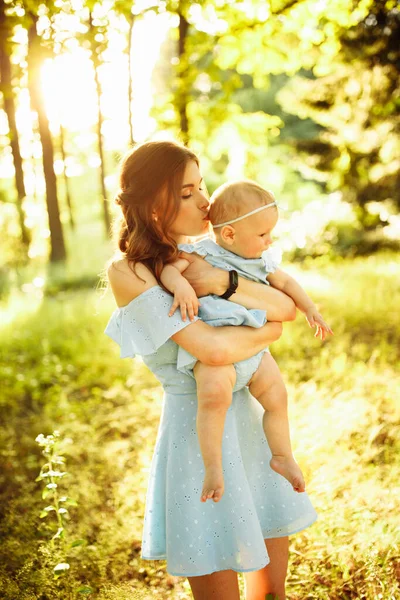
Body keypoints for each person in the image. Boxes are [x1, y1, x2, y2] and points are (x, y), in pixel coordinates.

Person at [104, 140, 318, 600]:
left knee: (272, 592)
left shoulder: (214, 252)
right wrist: (268, 334)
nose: (205, 201)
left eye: (201, 186)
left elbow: (286, 305)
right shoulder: (131, 272)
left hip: (252, 431)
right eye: (187, 192)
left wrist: (227, 282)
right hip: (198, 444)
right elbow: (214, 349)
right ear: (151, 203)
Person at [160, 180, 333, 505]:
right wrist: (180, 286)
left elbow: (286, 282)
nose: (270, 241)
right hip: (216, 346)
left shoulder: (262, 261)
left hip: (252, 345)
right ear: (229, 235)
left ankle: (282, 455)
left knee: (277, 396)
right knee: (213, 398)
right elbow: (172, 271)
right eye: (263, 234)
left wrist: (310, 308)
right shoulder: (200, 252)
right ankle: (213, 468)